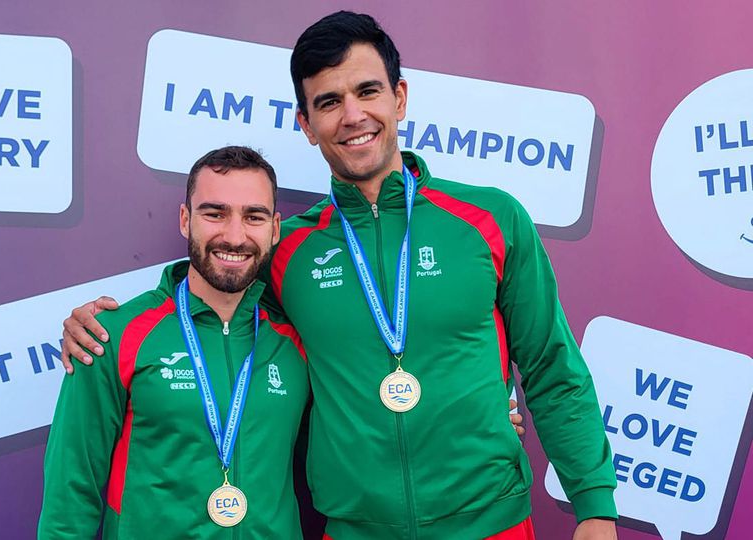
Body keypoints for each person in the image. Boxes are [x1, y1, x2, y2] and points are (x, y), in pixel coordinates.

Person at [60, 12, 613, 540]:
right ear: (306, 124)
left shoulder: (490, 220)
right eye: (328, 102)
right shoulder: (287, 250)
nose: (352, 116)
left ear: (399, 98)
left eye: (368, 91)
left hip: (492, 524)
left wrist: (592, 502)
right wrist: (97, 328)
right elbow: (211, 309)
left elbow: (550, 366)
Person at [38, 146, 310, 538]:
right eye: (214, 213)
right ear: (185, 220)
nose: (234, 236)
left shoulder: (295, 342)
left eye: (253, 216)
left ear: (274, 228)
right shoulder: (112, 335)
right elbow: (70, 491)